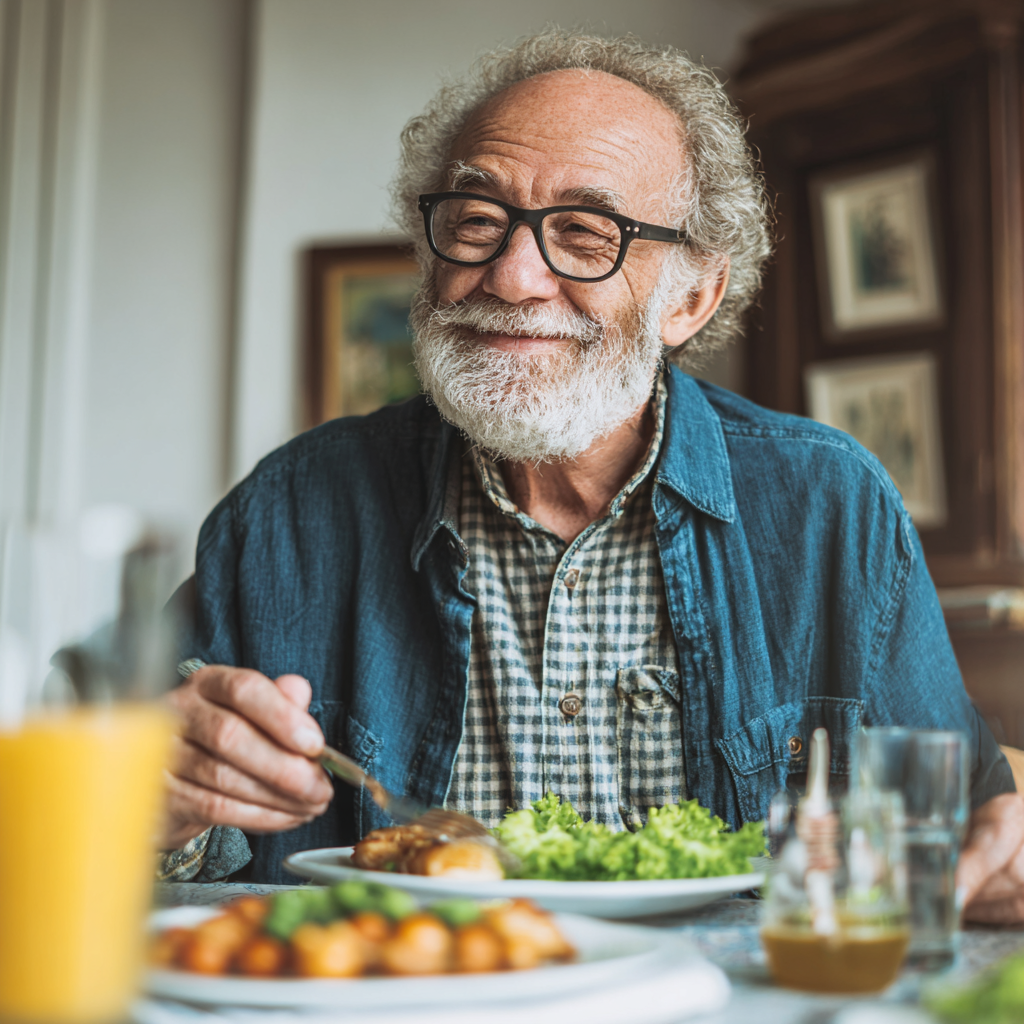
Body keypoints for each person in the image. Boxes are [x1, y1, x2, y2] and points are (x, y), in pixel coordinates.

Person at [160, 30, 1024, 921]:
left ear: (691, 299)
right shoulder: (288, 512)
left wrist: (994, 860)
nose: (512, 273)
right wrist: (157, 801)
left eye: (584, 232)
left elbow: (967, 837)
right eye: (475, 220)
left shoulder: (829, 506)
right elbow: (115, 822)